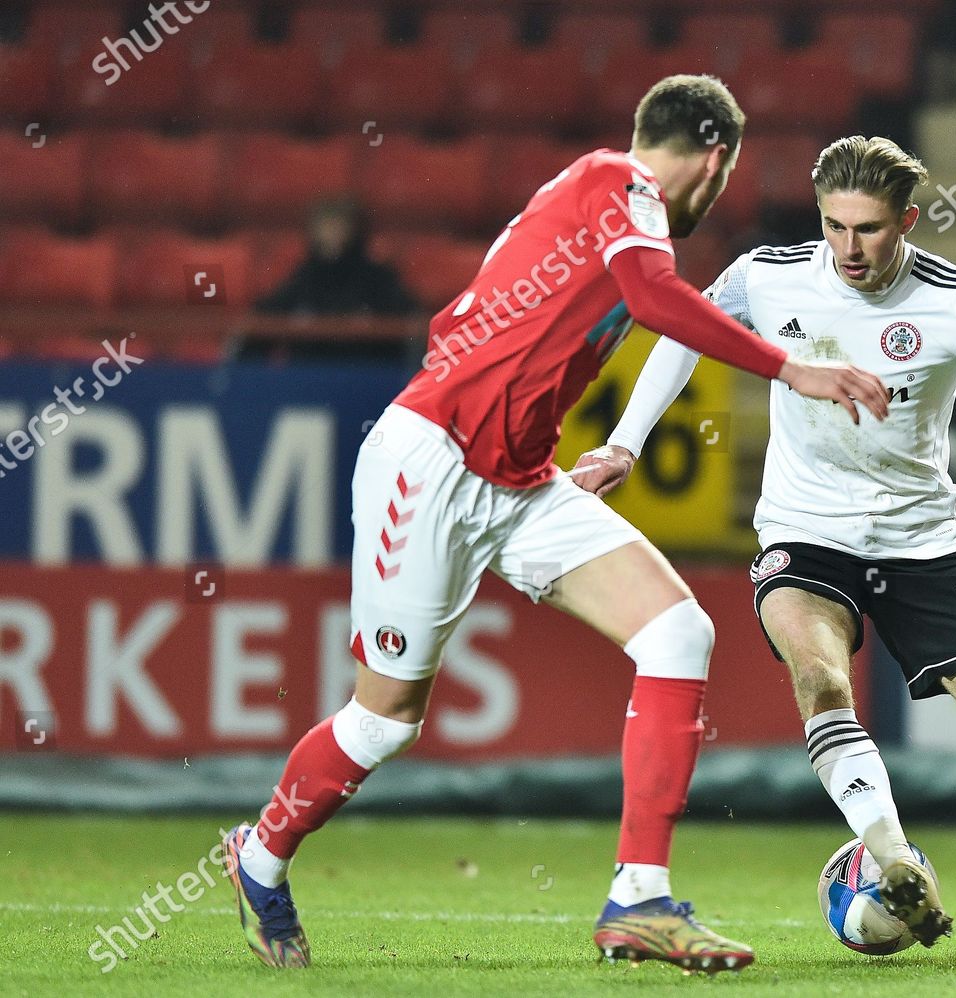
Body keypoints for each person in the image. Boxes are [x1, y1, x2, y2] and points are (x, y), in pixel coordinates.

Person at [220, 77, 890, 975]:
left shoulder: (616, 209)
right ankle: (259, 859)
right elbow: (655, 298)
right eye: (722, 178)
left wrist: (615, 446)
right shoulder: (616, 182)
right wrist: (791, 369)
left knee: (678, 632)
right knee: (383, 722)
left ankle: (639, 899)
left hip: (522, 479)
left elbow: (633, 302)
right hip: (432, 464)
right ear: (714, 159)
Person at [572, 135, 956, 957]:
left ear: (909, 221)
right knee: (820, 680)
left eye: (871, 229)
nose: (849, 249)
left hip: (922, 542)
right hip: (804, 533)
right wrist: (625, 446)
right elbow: (683, 336)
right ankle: (892, 859)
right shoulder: (768, 276)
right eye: (835, 226)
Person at [248, 196, 420, 364]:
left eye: (338, 226)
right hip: (309, 377)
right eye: (325, 226)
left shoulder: (377, 278)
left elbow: (408, 319)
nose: (331, 233)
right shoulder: (304, 277)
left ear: (355, 230)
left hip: (367, 375)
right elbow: (265, 318)